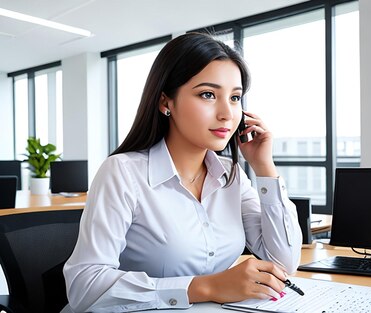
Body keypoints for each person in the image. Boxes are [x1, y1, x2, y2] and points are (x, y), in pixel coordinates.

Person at [63, 33, 302, 312]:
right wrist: (206, 287)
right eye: (208, 95)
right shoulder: (123, 172)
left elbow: (283, 264)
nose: (227, 113)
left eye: (235, 98)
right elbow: (84, 287)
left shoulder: (231, 175)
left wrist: (264, 168)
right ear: (166, 102)